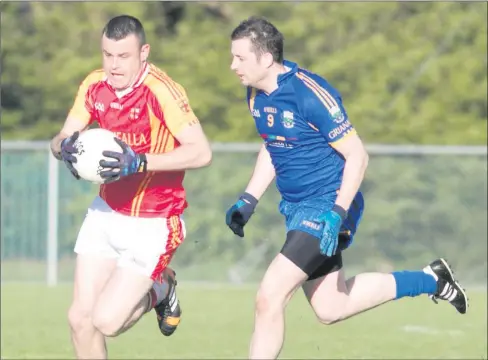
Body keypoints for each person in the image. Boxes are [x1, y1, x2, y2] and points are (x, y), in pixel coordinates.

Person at [225, 16, 468, 360]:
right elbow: (272, 143)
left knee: (269, 296)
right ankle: (432, 279)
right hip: (296, 209)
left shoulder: (311, 94)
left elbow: (358, 156)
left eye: (240, 58)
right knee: (331, 307)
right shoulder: (256, 95)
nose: (233, 65)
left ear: (265, 59)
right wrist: (248, 199)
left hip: (328, 206)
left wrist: (337, 214)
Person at [50, 15, 212, 360]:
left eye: (123, 56)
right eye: (107, 55)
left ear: (144, 53)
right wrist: (63, 148)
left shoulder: (162, 91)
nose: (113, 65)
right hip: (106, 212)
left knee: (107, 321)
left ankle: (162, 286)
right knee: (80, 319)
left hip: (155, 221)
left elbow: (201, 152)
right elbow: (61, 137)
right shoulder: (95, 85)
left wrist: (140, 161)